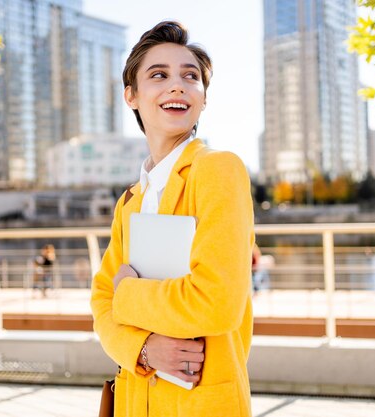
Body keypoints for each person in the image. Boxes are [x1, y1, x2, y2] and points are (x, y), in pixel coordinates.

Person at [90, 21, 255, 417]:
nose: (177, 86)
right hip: (135, 401)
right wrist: (144, 348)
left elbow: (217, 303)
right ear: (131, 96)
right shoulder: (130, 199)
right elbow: (100, 304)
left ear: (202, 99)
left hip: (200, 405)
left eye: (190, 76)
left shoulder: (218, 171)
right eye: (159, 75)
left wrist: (126, 293)